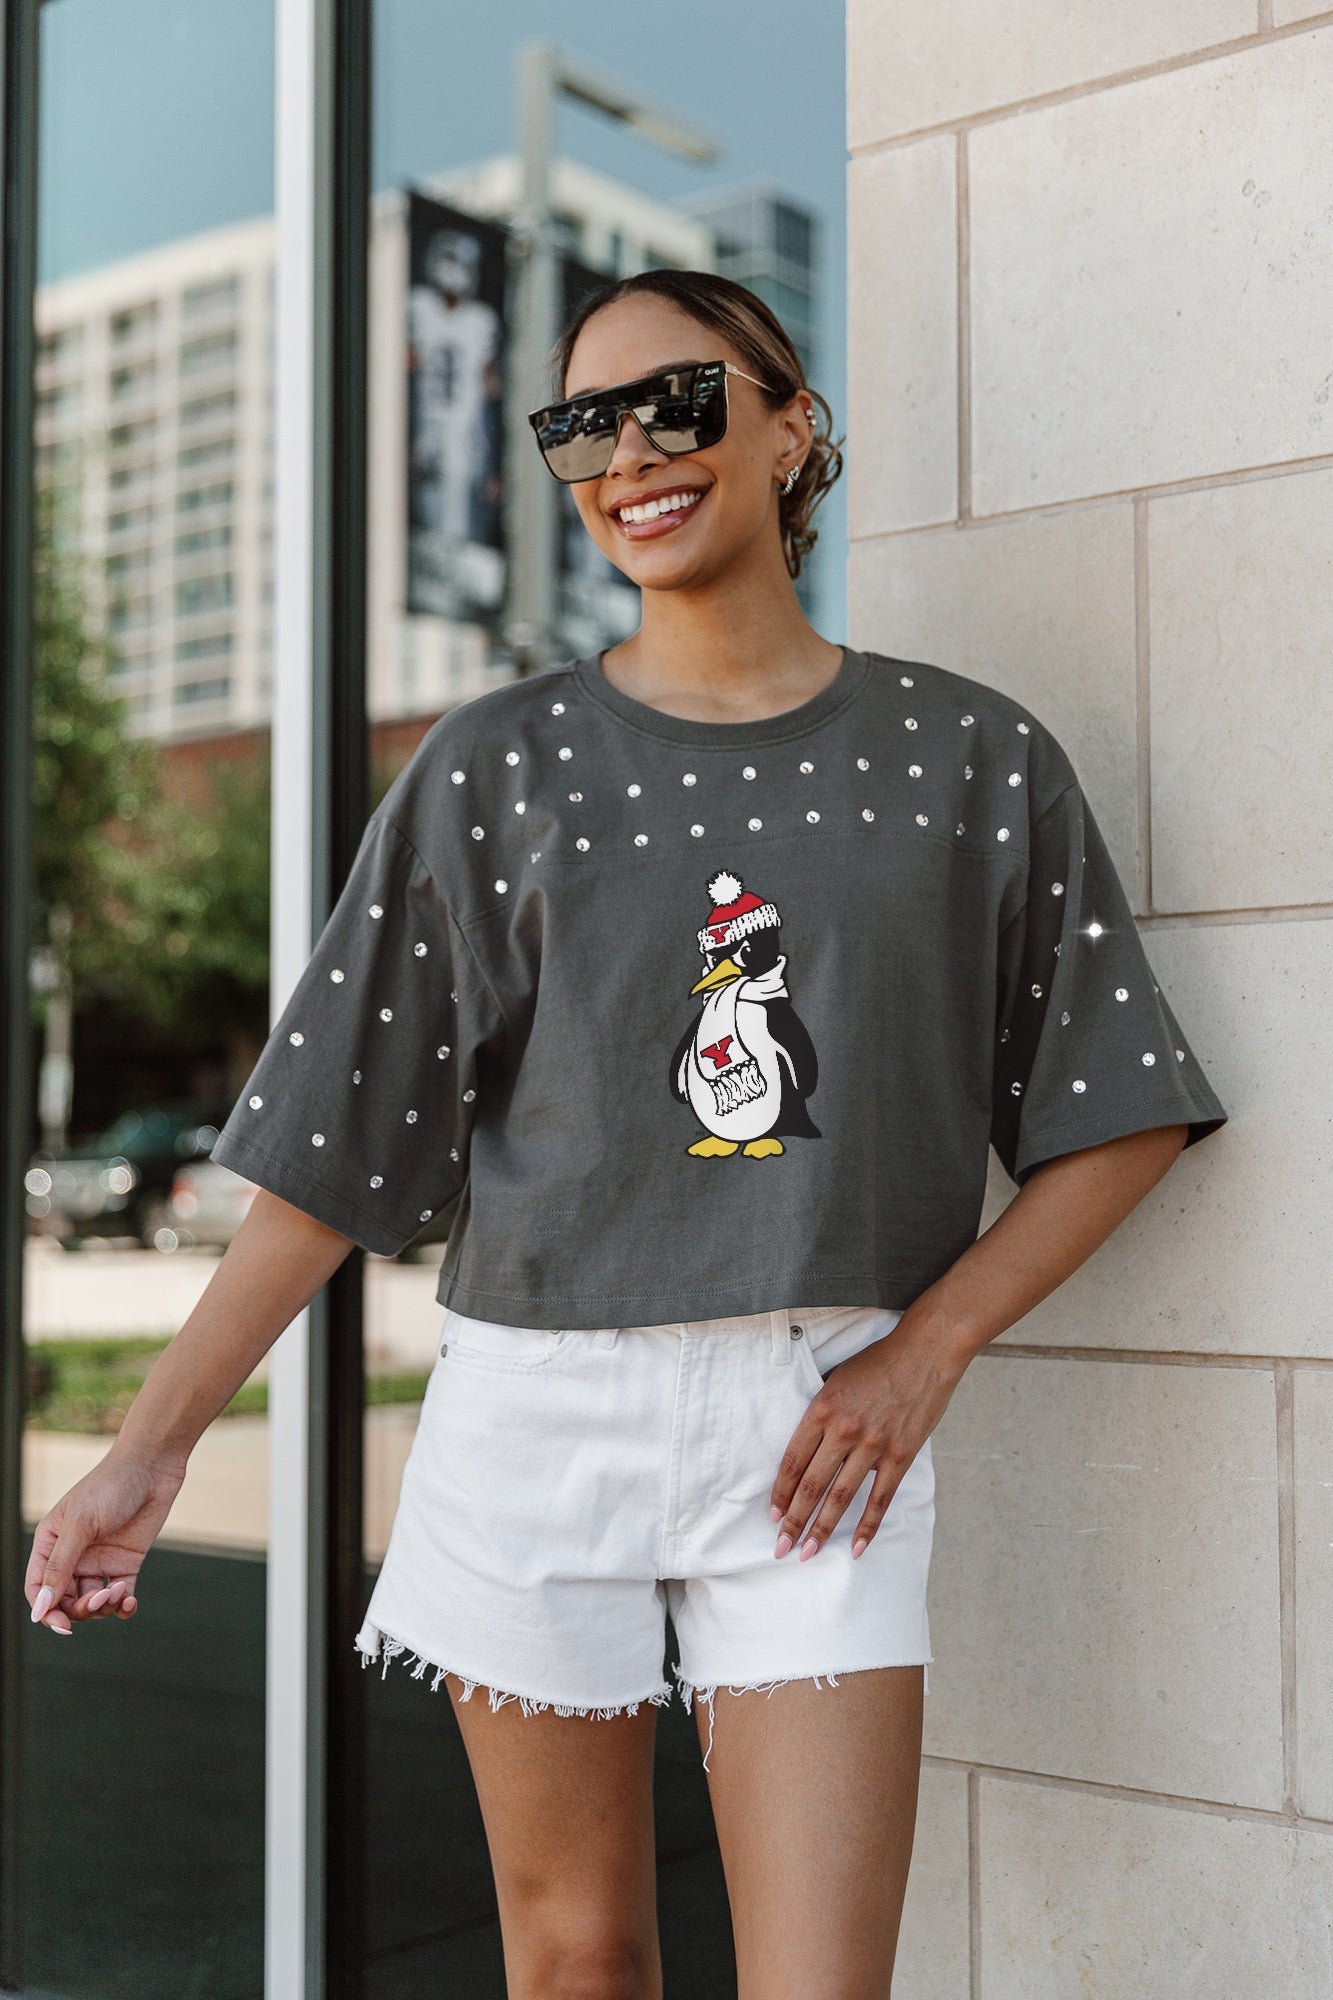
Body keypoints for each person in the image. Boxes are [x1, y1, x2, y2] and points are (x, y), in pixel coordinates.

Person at [25, 269, 1228, 1998]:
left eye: (678, 401)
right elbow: (331, 1152)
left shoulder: (966, 756)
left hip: (822, 1428)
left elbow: (1120, 1108)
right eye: (581, 426)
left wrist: (926, 1351)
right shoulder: (494, 766)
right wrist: (151, 1448)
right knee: (575, 1964)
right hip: (535, 1415)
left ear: (791, 424)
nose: (629, 456)